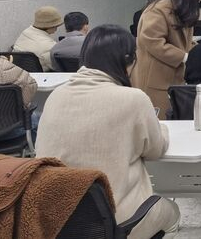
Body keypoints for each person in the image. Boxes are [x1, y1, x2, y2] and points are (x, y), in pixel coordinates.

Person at [35, 25, 179, 239]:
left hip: (57, 223)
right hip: (118, 223)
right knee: (172, 212)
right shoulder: (134, 99)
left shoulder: (55, 96)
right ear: (129, 61)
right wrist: (162, 128)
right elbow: (155, 150)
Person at [131, 0, 201, 119]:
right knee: (160, 123)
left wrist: (198, 53)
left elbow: (185, 42)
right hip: (156, 78)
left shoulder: (181, 8)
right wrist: (185, 57)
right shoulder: (158, 9)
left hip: (175, 77)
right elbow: (153, 41)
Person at [0, 55, 38, 142]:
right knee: (35, 117)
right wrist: (22, 105)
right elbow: (31, 86)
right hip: (11, 130)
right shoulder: (2, 66)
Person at [13, 6, 63, 71]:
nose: (56, 29)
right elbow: (58, 67)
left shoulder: (25, 32)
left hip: (20, 73)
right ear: (51, 26)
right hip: (41, 76)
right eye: (56, 26)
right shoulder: (48, 45)